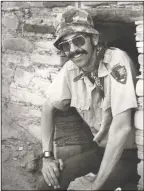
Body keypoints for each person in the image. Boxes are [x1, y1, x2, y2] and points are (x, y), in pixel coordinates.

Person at [37, 6, 139, 190]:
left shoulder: (116, 60)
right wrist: (47, 156)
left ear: (93, 39)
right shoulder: (70, 69)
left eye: (78, 40)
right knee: (47, 184)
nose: (73, 50)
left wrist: (96, 185)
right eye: (65, 45)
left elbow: (122, 126)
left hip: (129, 153)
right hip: (100, 150)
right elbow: (47, 107)